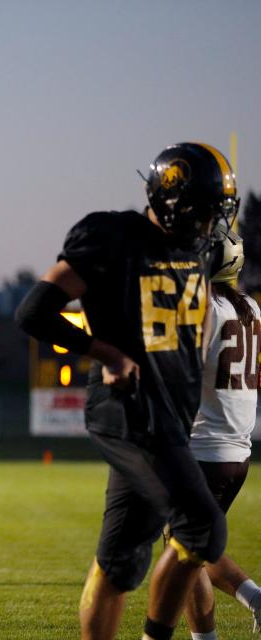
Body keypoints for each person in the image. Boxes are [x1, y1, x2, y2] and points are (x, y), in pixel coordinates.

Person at [15, 143, 238, 640]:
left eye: (214, 215)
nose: (207, 226)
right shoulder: (112, 236)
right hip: (128, 409)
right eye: (201, 213)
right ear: (169, 199)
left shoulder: (197, 249)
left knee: (120, 563)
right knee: (203, 528)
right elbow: (34, 310)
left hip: (171, 414)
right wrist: (105, 352)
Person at [182, 229, 261, 640]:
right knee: (196, 546)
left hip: (204, 451)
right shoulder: (250, 307)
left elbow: (182, 372)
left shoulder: (205, 308)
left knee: (183, 556)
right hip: (238, 451)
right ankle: (256, 599)